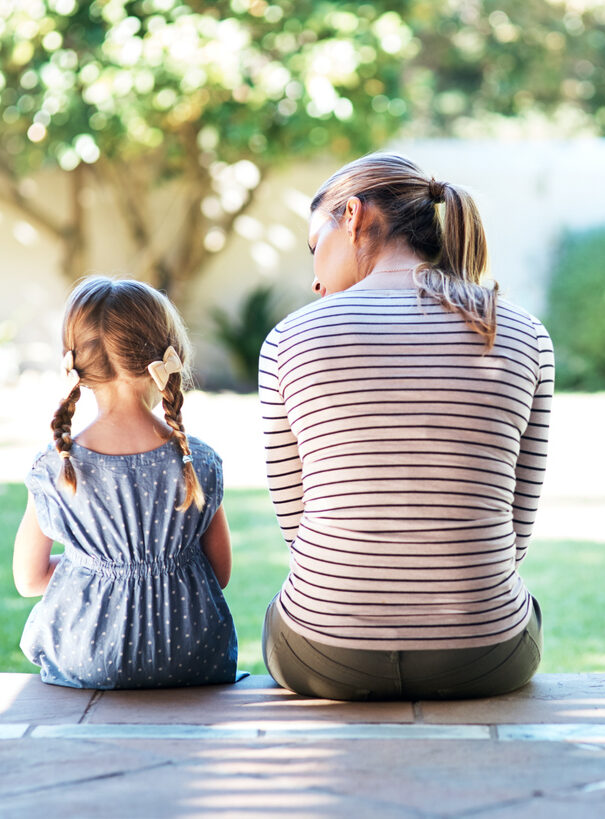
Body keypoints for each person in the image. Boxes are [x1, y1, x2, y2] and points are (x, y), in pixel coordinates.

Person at [259, 153, 555, 701]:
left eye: (313, 247)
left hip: (325, 655)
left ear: (351, 216)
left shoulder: (289, 339)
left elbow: (296, 527)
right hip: (484, 655)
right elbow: (516, 528)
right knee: (522, 607)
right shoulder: (522, 332)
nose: (315, 278)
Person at [13, 277, 241, 689]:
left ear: (76, 366)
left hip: (88, 658)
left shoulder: (55, 467)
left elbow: (28, 580)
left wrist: (96, 565)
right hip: (192, 657)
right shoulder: (199, 460)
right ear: (168, 355)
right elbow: (219, 573)